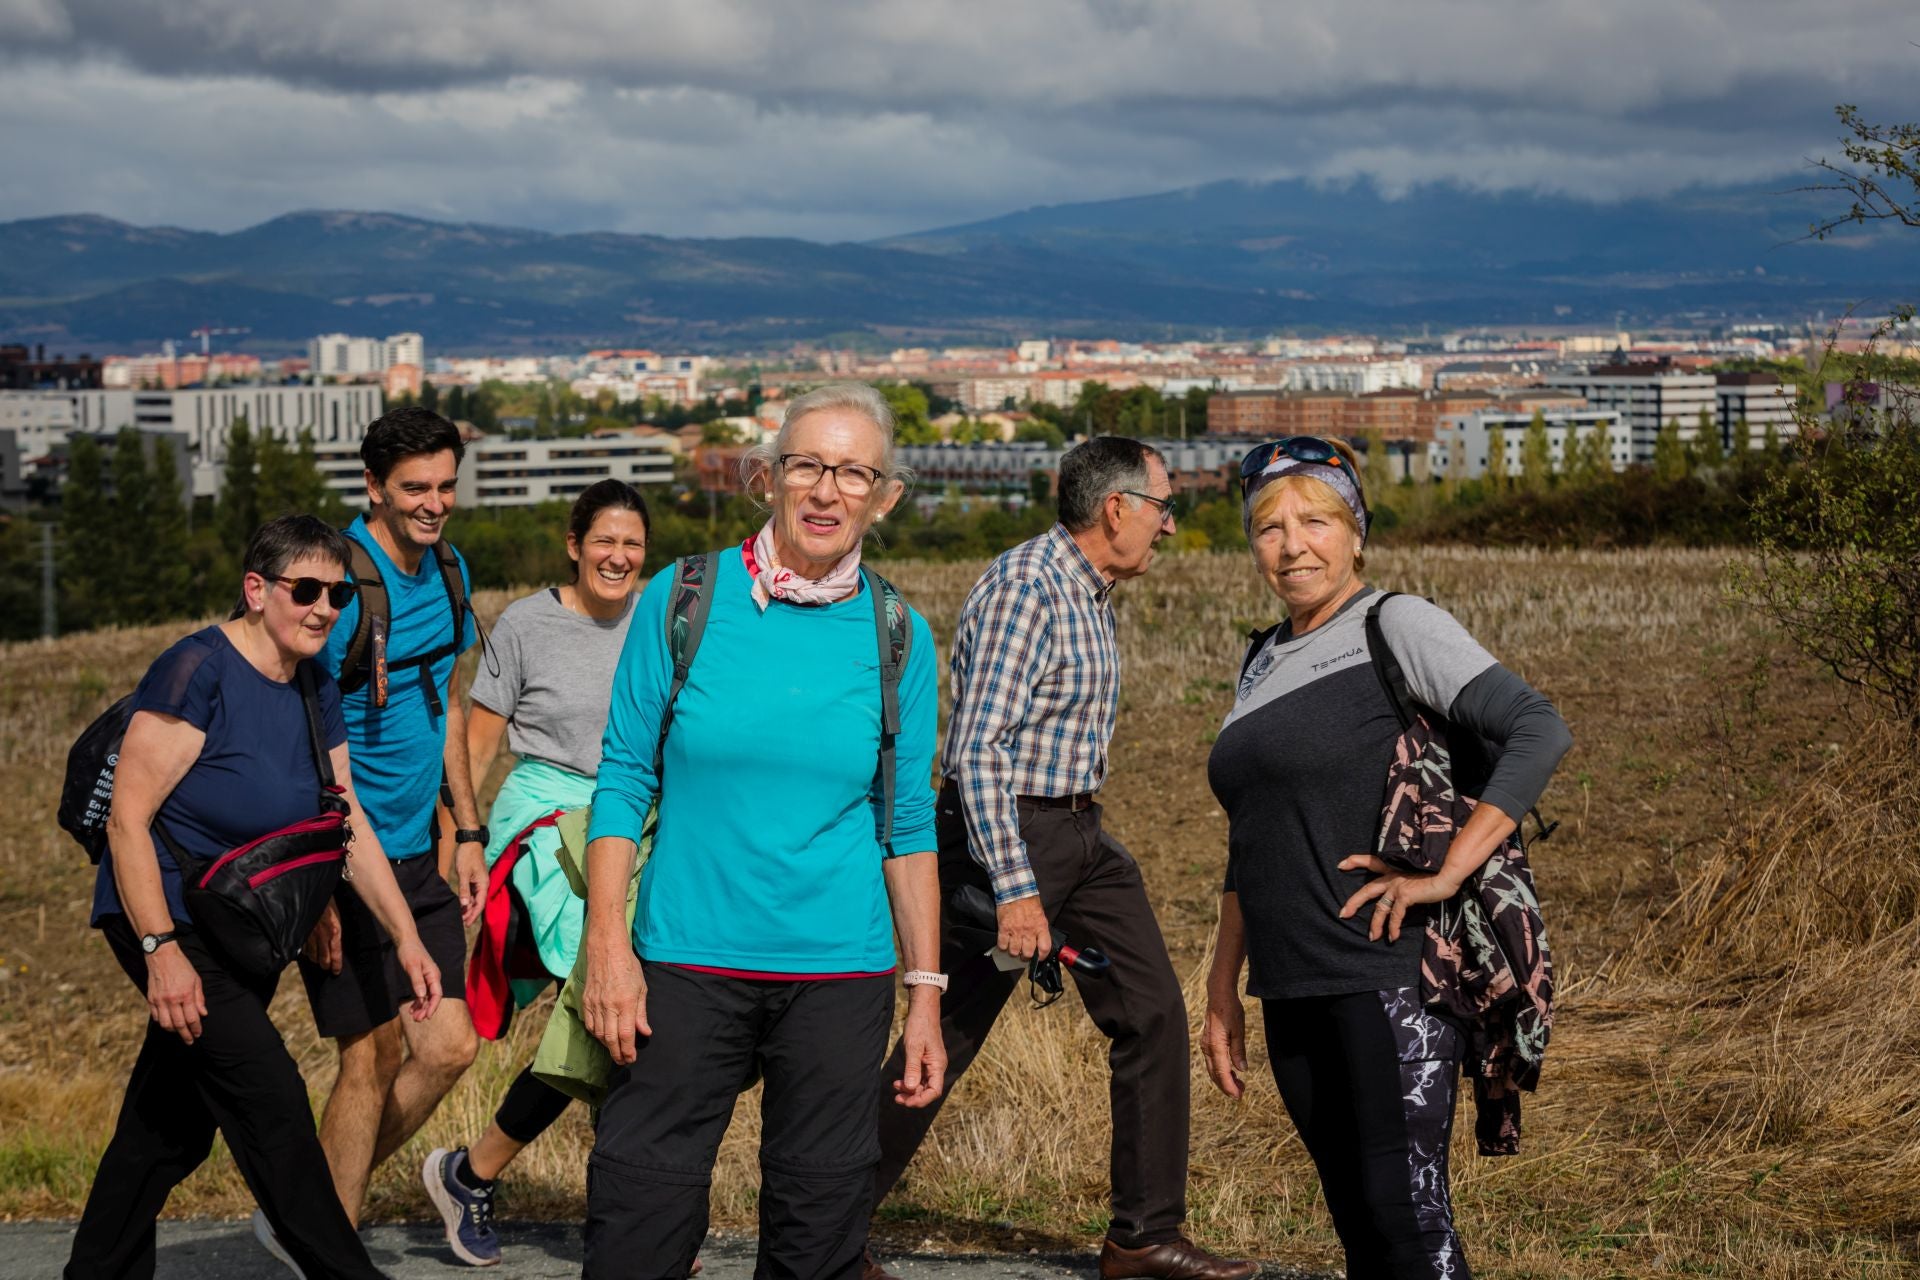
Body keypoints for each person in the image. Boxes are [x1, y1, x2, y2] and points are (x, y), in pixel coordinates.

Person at [580, 382, 946, 1280]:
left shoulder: (900, 634)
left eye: (853, 472)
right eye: (808, 466)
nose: (827, 491)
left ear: (885, 495)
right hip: (683, 963)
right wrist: (607, 947)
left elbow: (905, 825)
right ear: (770, 477)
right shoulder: (686, 598)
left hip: (838, 977)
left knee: (817, 1236)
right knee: (639, 1220)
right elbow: (624, 779)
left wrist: (926, 994)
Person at [867, 437, 1256, 1280]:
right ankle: (821, 1228)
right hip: (1007, 838)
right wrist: (1015, 891)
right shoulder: (1027, 587)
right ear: (1116, 508)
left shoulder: (1090, 590)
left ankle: (1142, 1236)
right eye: (1163, 507)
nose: (1170, 525)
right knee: (946, 1035)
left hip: (1081, 837)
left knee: (1150, 1013)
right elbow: (978, 752)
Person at [1200, 437, 1572, 1280]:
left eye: (1316, 520)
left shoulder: (1394, 625)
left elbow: (1538, 728)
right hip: (1289, 986)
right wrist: (1222, 987)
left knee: (1407, 1224)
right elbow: (1250, 835)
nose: (1292, 545)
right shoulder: (1260, 660)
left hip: (1387, 977)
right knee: (1362, 1230)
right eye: (1268, 527)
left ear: (1356, 531)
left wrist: (1446, 873)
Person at [67, 515, 443, 1280]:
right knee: (271, 1103)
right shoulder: (196, 672)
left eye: (337, 594)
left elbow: (347, 818)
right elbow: (127, 822)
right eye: (304, 590)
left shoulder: (310, 682)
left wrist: (405, 935)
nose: (323, 609)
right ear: (256, 590)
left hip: (246, 922)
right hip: (172, 921)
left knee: (166, 1127)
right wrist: (160, 952)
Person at [421, 479, 651, 1267]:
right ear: (574, 544)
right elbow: (478, 750)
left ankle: (474, 1174)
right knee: (602, 1000)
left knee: (632, 1017)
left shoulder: (661, 620)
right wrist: (462, 844)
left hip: (630, 819)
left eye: (632, 545)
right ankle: (617, 1218)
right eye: (604, 542)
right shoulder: (526, 623)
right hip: (547, 816)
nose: (618, 557)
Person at [293, 407, 486, 1255]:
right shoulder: (334, 581)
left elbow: (442, 710)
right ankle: (328, 1241)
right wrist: (312, 887)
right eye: (414, 487)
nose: (434, 502)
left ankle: (304, 1209)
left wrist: (468, 829)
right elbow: (285, 727)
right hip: (339, 858)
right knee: (366, 1058)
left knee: (450, 1045)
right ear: (372, 486)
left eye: (446, 485)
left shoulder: (449, 570)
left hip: (417, 853)